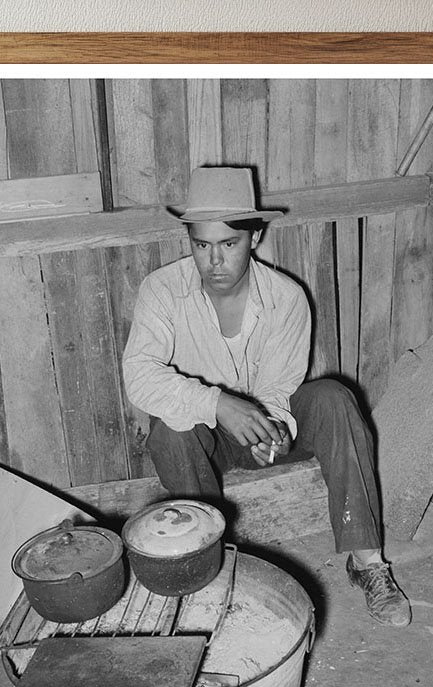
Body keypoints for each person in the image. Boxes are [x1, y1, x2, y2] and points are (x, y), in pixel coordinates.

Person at [122, 167, 411, 627]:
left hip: (268, 427)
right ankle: (208, 571)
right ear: (190, 242)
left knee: (335, 397)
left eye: (229, 244)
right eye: (202, 245)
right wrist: (217, 403)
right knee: (169, 431)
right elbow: (139, 376)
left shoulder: (286, 297)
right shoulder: (162, 291)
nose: (214, 261)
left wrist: (271, 428)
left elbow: (280, 387)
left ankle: (367, 562)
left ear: (254, 238)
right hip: (204, 439)